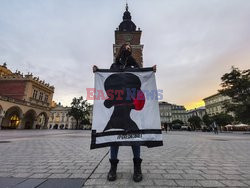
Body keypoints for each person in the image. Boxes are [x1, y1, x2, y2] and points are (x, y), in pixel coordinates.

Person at [93, 43, 156, 182]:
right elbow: (107, 81)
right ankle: (113, 168)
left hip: (130, 115)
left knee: (136, 139)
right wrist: (98, 70)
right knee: (113, 138)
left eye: (130, 48)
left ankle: (137, 168)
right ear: (120, 50)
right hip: (115, 116)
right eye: (125, 47)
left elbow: (143, 78)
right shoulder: (114, 66)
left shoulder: (135, 67)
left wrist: (150, 70)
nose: (128, 49)